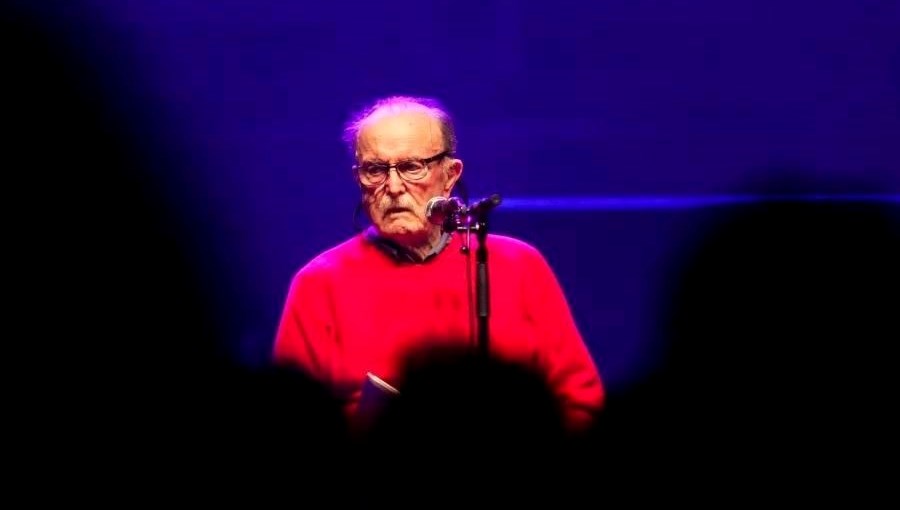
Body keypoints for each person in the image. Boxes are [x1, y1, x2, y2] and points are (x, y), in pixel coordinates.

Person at [272, 95, 605, 436]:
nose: (394, 187)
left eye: (411, 167)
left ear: (450, 175)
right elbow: (289, 424)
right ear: (359, 178)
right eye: (375, 170)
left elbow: (581, 402)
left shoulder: (519, 266)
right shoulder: (320, 283)